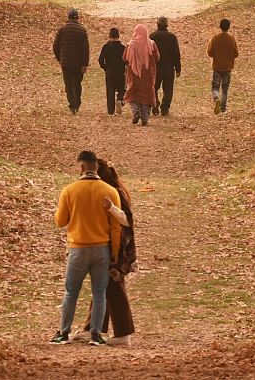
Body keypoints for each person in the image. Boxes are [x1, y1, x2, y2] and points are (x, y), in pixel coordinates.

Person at [51, 150, 122, 346]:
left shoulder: (69, 190)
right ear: (96, 167)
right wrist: (114, 252)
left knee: (71, 291)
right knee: (99, 293)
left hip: (78, 248)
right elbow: (115, 227)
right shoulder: (110, 191)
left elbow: (60, 221)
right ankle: (96, 335)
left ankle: (64, 333)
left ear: (81, 167)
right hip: (101, 249)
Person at [82, 158, 137, 346]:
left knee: (114, 288)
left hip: (117, 249)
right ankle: (94, 328)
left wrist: (110, 207)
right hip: (107, 245)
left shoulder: (115, 194)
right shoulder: (111, 191)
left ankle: (123, 333)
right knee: (103, 287)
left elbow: (127, 220)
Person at [53, 8, 89, 114]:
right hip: (78, 62)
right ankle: (77, 103)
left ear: (68, 17)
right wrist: (85, 64)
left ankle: (72, 104)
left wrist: (59, 58)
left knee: (68, 84)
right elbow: (85, 49)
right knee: (77, 83)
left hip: (66, 62)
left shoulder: (62, 29)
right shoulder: (82, 30)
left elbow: (55, 45)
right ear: (77, 18)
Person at [123, 24, 159, 126]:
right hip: (148, 74)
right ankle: (145, 118)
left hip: (134, 74)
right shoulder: (152, 44)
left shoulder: (130, 45)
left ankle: (135, 112)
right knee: (147, 95)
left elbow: (124, 58)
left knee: (133, 94)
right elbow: (157, 57)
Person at [150, 16, 181, 117]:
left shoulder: (152, 36)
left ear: (157, 25)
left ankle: (154, 103)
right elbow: (176, 53)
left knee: (154, 87)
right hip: (168, 67)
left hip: (155, 67)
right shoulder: (172, 37)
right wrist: (178, 68)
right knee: (168, 89)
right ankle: (165, 108)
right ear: (167, 25)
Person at [206, 18, 238, 114]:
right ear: (229, 27)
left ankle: (216, 98)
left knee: (215, 86)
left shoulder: (215, 38)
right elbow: (236, 53)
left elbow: (210, 52)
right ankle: (223, 108)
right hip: (227, 67)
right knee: (225, 87)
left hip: (217, 66)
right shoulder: (232, 39)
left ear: (220, 26)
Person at [98, 28, 126, 116]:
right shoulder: (122, 48)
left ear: (109, 36)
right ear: (118, 36)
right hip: (120, 72)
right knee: (122, 89)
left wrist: (105, 67)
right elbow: (126, 60)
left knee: (110, 91)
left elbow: (100, 60)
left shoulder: (105, 47)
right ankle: (120, 99)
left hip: (109, 72)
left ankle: (110, 111)